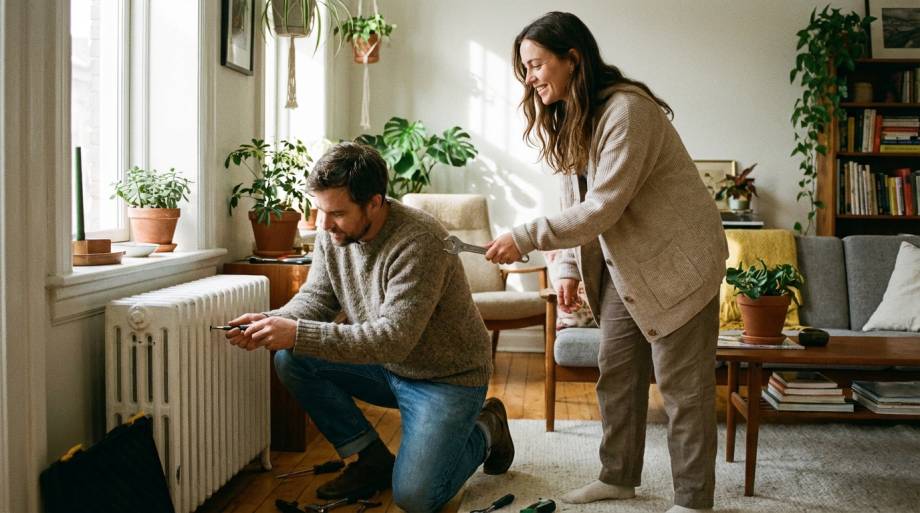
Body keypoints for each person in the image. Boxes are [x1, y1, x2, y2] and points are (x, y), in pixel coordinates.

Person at [485, 12, 728, 513]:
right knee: (616, 373)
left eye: (535, 65)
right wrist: (568, 268)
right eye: (524, 69)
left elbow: (603, 206)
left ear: (572, 58)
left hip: (681, 266)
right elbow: (575, 193)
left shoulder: (628, 112)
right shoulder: (576, 114)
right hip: (626, 265)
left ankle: (693, 500)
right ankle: (618, 477)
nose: (529, 79)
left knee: (684, 390)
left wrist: (526, 236)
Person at [226, 142, 514, 513]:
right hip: (387, 365)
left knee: (417, 497)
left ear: (375, 202)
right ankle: (371, 459)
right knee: (292, 358)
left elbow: (393, 339)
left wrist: (296, 332)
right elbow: (318, 296)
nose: (325, 224)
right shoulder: (335, 234)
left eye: (337, 213)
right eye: (319, 211)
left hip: (446, 376)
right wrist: (275, 320)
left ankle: (488, 427)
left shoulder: (422, 240)